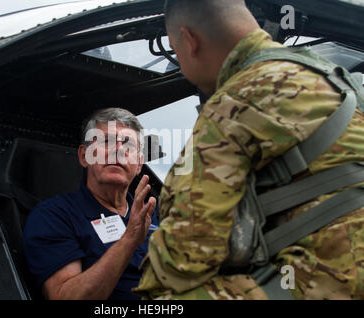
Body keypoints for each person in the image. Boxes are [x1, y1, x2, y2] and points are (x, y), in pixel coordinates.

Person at [134, 0, 364, 299]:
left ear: (189, 40)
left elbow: (183, 261)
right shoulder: (336, 78)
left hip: (326, 283)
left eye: (175, 52)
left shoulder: (233, 104)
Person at [22, 108, 158, 300]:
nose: (118, 150)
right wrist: (129, 240)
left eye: (128, 145)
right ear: (84, 156)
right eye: (106, 142)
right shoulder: (54, 215)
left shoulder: (155, 211)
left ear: (138, 165)